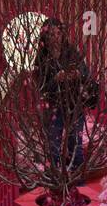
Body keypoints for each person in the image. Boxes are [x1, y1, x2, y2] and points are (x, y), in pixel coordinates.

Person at [34, 18, 98, 179]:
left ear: (62, 35)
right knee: (54, 147)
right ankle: (56, 183)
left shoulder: (71, 52)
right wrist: (55, 79)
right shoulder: (41, 58)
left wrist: (76, 74)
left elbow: (85, 74)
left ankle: (78, 182)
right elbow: (41, 88)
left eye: (58, 33)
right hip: (54, 107)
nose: (55, 37)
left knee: (75, 145)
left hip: (74, 104)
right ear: (45, 37)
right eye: (51, 34)